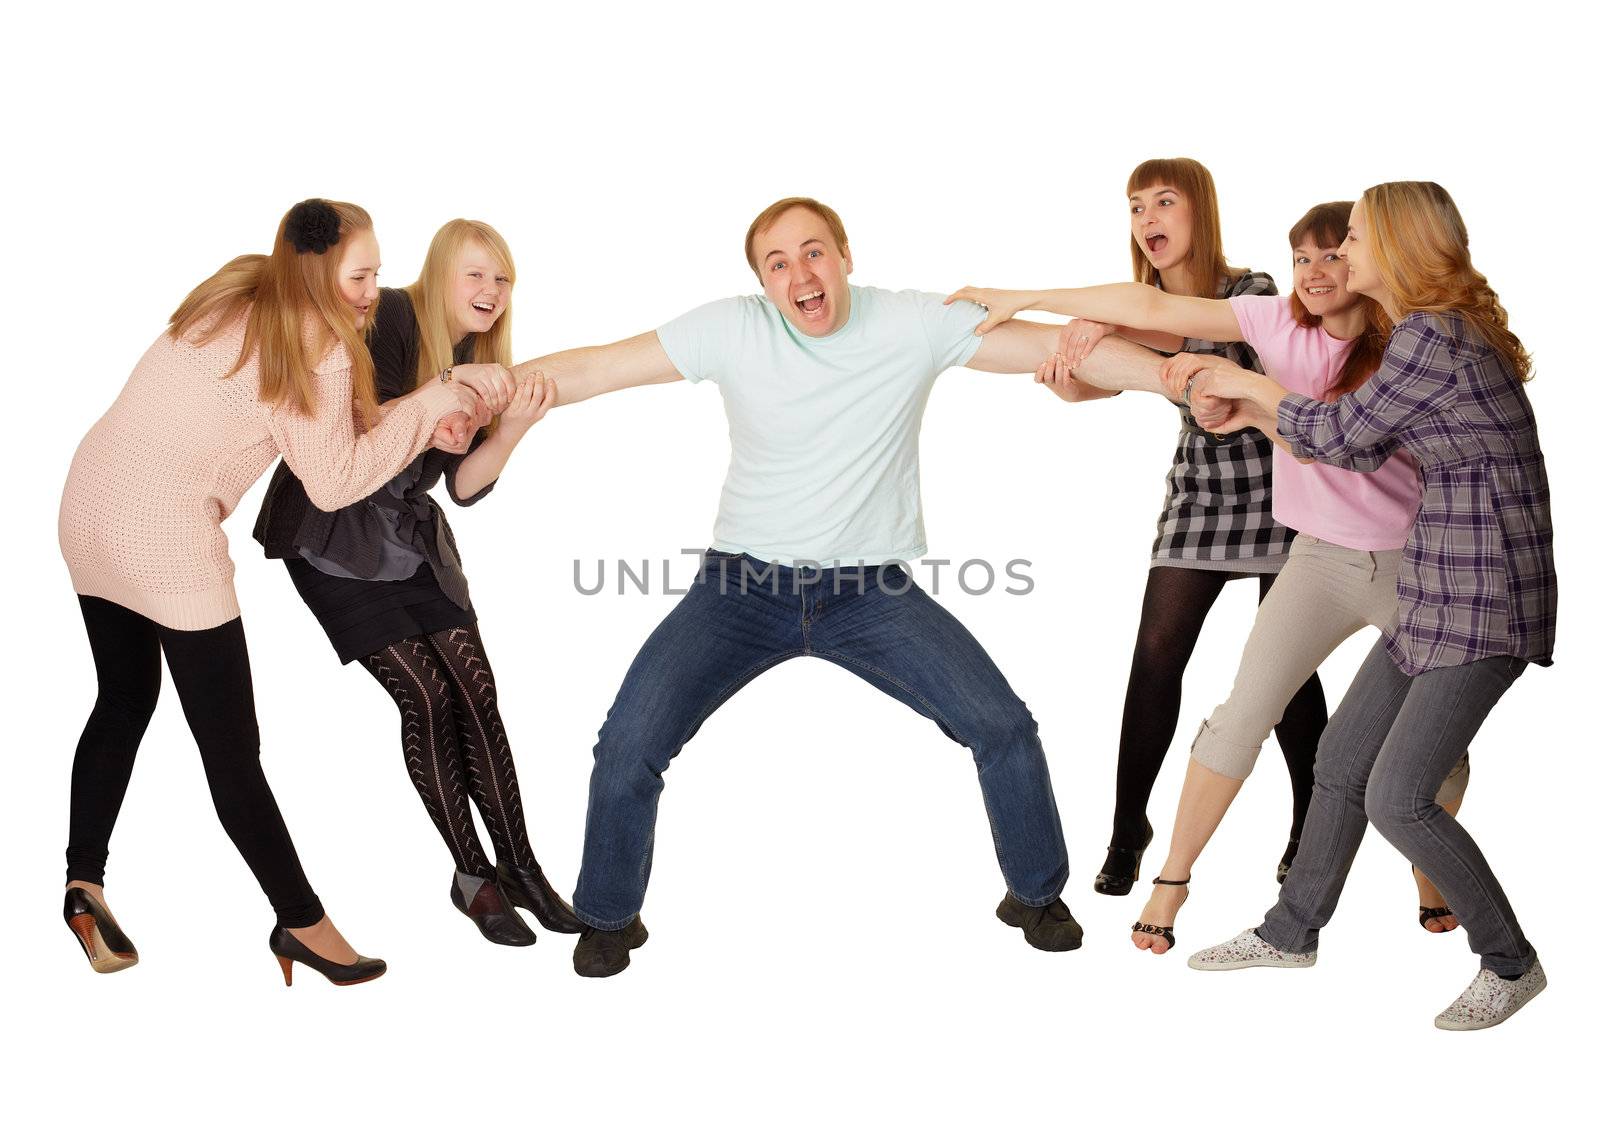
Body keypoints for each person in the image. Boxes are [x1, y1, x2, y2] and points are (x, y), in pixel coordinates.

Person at [513, 196, 1174, 977]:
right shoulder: (733, 328)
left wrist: (1175, 377)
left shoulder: (912, 322)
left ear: (846, 254)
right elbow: (593, 367)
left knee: (1003, 727)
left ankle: (1034, 894)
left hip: (869, 594)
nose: (801, 273)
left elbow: (1056, 347)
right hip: (739, 590)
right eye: (779, 263)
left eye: (814, 251)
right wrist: (490, 387)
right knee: (627, 745)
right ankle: (609, 915)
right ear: (763, 282)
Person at [951, 201, 1470, 954]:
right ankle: (1170, 874)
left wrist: (1246, 396)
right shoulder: (1273, 321)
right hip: (1318, 557)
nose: (1318, 272)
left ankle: (1428, 869)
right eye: (1304, 259)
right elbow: (1151, 305)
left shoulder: (1407, 340)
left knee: (1434, 741)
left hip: (1407, 559)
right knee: (1240, 710)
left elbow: (1341, 440)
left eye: (1335, 255)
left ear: (1366, 264)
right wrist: (1022, 300)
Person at [59, 198, 480, 985]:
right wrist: (431, 400)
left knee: (121, 699)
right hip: (164, 540)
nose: (371, 290)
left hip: (88, 507)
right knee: (233, 752)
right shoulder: (318, 348)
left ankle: (84, 882)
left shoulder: (236, 290)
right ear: (318, 271)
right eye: (361, 275)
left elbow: (326, 430)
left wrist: (415, 419)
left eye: (377, 272)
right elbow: (336, 479)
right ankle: (302, 923)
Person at [1182, 182, 1555, 1032]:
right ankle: (1290, 931)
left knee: (1397, 795)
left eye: (1351, 238)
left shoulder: (1432, 336)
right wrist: (1245, 394)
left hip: (1486, 596)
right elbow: (1344, 435)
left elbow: (1339, 439)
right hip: (1437, 581)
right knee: (1342, 763)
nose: (1340, 253)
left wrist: (1234, 388)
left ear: (1396, 244)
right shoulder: (1432, 333)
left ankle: (1511, 961)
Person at [952, 158, 1325, 897]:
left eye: (1164, 201)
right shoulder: (1142, 302)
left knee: (1284, 668)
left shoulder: (1246, 292)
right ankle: (1129, 827)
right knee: (1156, 657)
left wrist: (1111, 320)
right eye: (1134, 207)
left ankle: (1311, 818)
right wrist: (1072, 379)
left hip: (1280, 488)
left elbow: (1200, 351)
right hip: (1202, 496)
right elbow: (1109, 380)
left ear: (1200, 212)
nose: (1147, 219)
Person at [254, 219, 581, 947]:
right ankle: (474, 876)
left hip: (404, 533)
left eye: (501, 280)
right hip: (332, 530)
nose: (490, 292)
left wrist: (513, 428)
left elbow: (463, 487)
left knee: (478, 695)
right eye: (475, 275)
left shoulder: (482, 357)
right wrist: (439, 399)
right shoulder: (393, 315)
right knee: (427, 695)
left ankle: (522, 868)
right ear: (438, 276)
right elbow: (345, 421)